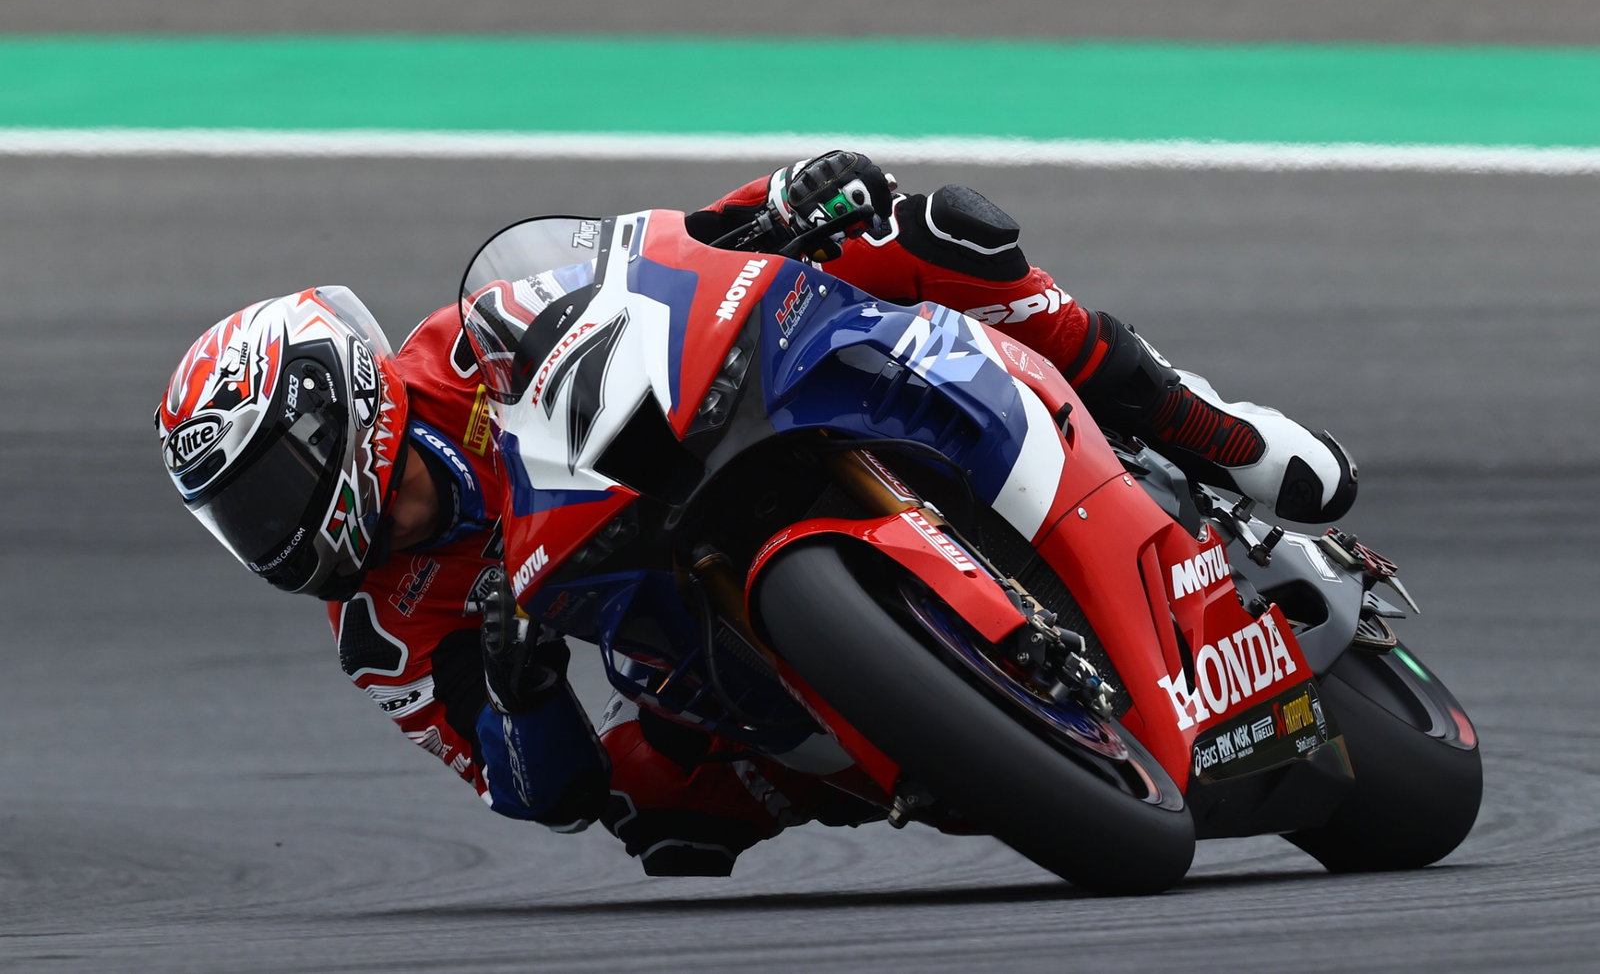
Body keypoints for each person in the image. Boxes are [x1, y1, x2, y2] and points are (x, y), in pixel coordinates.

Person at [155, 151, 1357, 876]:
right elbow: (531, 793)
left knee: (935, 236)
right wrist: (522, 691)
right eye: (235, 516)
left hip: (714, 410)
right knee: (653, 809)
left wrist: (778, 198)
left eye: (265, 486)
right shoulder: (383, 628)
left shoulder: (461, 343)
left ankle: (1214, 434)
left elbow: (657, 251)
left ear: (338, 409)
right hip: (663, 598)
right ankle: (945, 739)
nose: (266, 531)